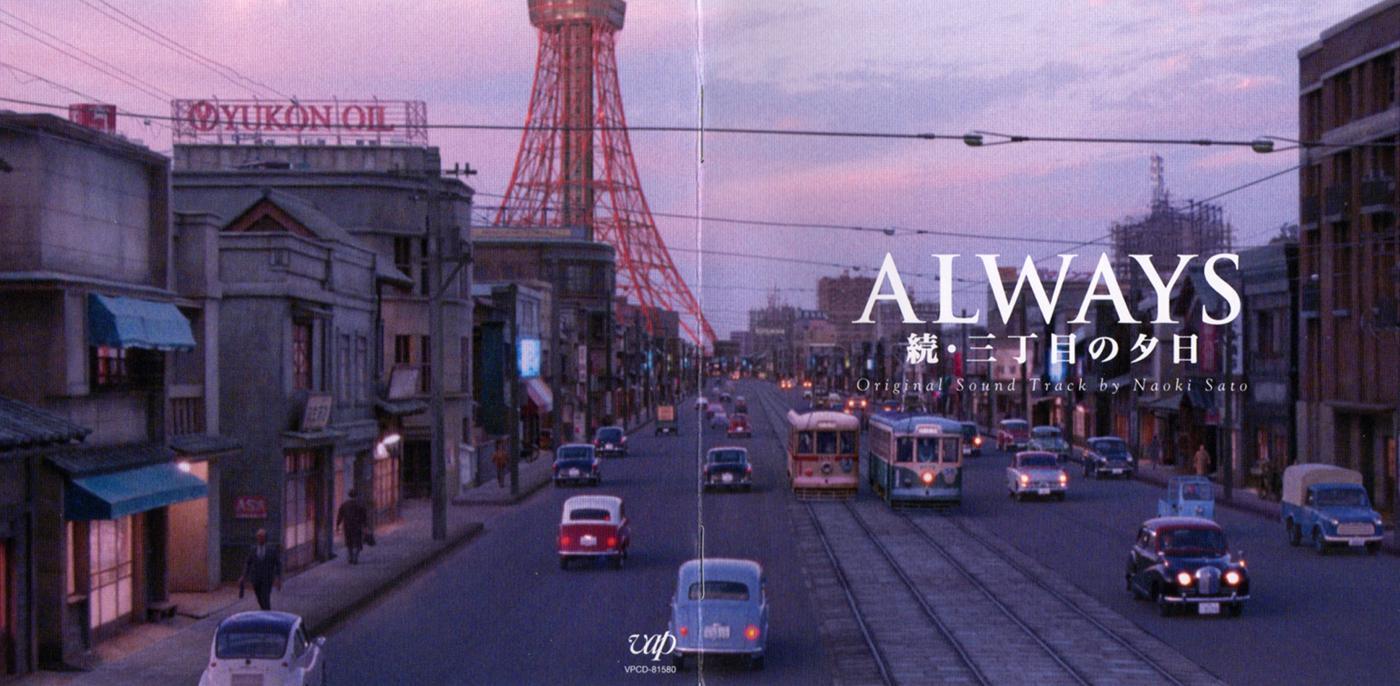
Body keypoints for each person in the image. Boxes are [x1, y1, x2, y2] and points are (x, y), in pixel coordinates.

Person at [239, 529, 282, 611]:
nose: (260, 538)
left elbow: (278, 564)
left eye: (262, 537)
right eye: (258, 536)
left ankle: (267, 613)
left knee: (265, 598)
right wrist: (243, 576)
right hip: (256, 579)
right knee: (259, 598)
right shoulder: (253, 550)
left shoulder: (271, 550)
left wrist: (278, 577)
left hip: (267, 579)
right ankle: (264, 611)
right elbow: (248, 563)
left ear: (265, 538)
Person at [336, 489, 370, 565]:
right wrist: (365, 526)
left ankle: (350, 557)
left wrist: (337, 525)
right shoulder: (360, 505)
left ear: (349, 495)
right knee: (358, 542)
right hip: (357, 526)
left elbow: (340, 516)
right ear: (356, 496)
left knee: (349, 542)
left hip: (347, 526)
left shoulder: (344, 505)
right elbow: (364, 517)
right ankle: (355, 557)